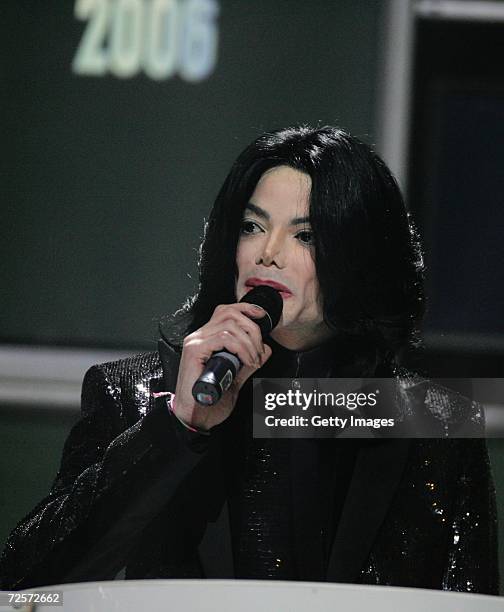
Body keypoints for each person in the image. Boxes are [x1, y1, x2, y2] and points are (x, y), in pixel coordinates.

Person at [0, 126, 499, 594]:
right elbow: (28, 584)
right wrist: (179, 427)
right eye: (251, 226)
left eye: (306, 235)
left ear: (360, 259)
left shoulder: (433, 421)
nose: (268, 253)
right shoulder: (132, 395)